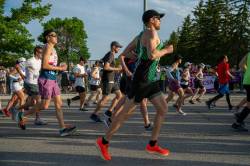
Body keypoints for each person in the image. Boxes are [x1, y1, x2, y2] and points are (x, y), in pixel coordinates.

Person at [95, 9, 173, 161]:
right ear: (151, 20)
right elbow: (152, 55)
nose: (160, 21)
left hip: (149, 79)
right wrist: (166, 50)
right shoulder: (151, 33)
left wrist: (139, 55)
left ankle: (152, 144)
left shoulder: (140, 35)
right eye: (158, 19)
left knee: (163, 109)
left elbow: (125, 53)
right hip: (143, 79)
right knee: (125, 114)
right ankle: (104, 142)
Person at [34, 29, 76, 136]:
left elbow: (50, 64)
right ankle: (22, 114)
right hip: (46, 78)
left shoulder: (53, 48)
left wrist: (59, 68)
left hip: (52, 78)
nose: (56, 37)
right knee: (44, 106)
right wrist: (60, 68)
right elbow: (44, 66)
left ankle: (62, 128)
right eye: (54, 36)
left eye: (56, 36)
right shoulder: (47, 47)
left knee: (59, 103)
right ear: (48, 37)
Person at [90, 41, 123, 122]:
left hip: (112, 80)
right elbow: (106, 67)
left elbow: (101, 62)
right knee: (105, 99)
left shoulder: (109, 54)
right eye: (118, 47)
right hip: (108, 80)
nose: (119, 49)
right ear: (113, 47)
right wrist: (117, 69)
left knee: (119, 96)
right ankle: (94, 114)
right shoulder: (111, 55)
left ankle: (109, 111)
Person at [232, 52, 250, 131]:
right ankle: (238, 122)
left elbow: (241, 64)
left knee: (249, 104)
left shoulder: (249, 53)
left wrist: (248, 71)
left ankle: (239, 118)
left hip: (247, 80)